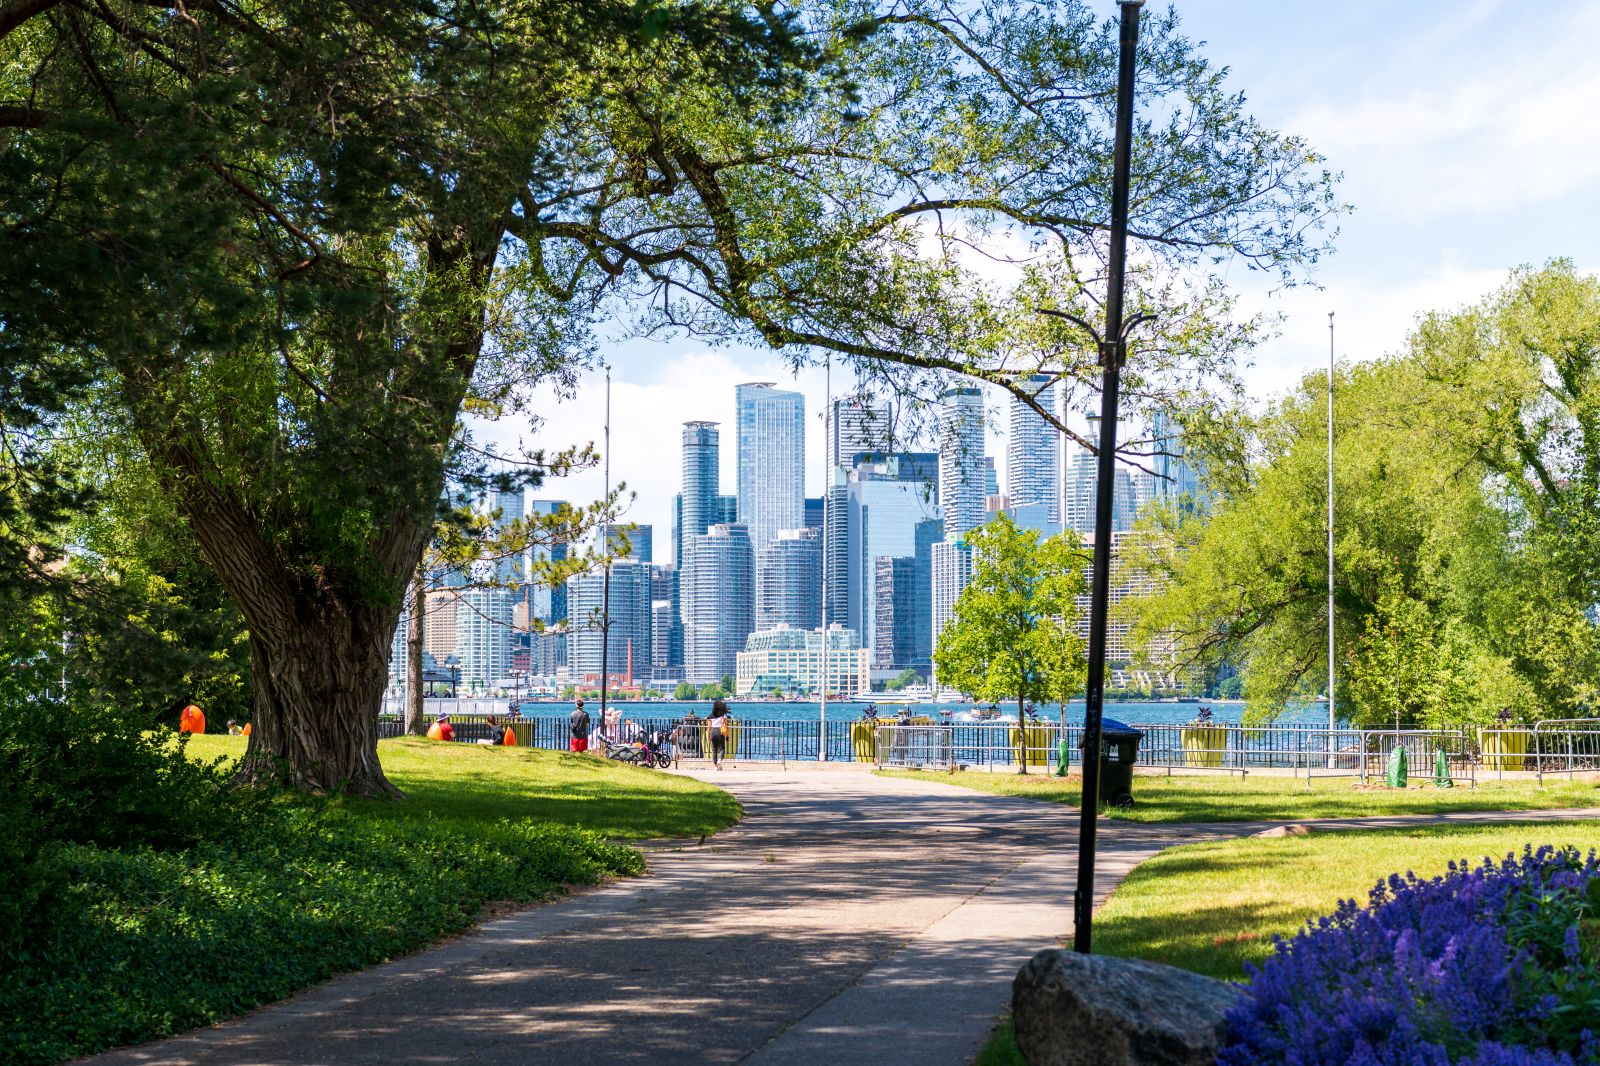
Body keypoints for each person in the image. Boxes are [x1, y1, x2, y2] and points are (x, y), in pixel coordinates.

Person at [707, 699, 732, 770]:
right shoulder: (723, 715)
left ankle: (716, 766)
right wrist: (727, 735)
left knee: (714, 750)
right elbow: (726, 725)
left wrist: (708, 736)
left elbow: (708, 727)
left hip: (713, 731)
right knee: (722, 748)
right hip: (720, 732)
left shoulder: (710, 716)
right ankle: (719, 760)